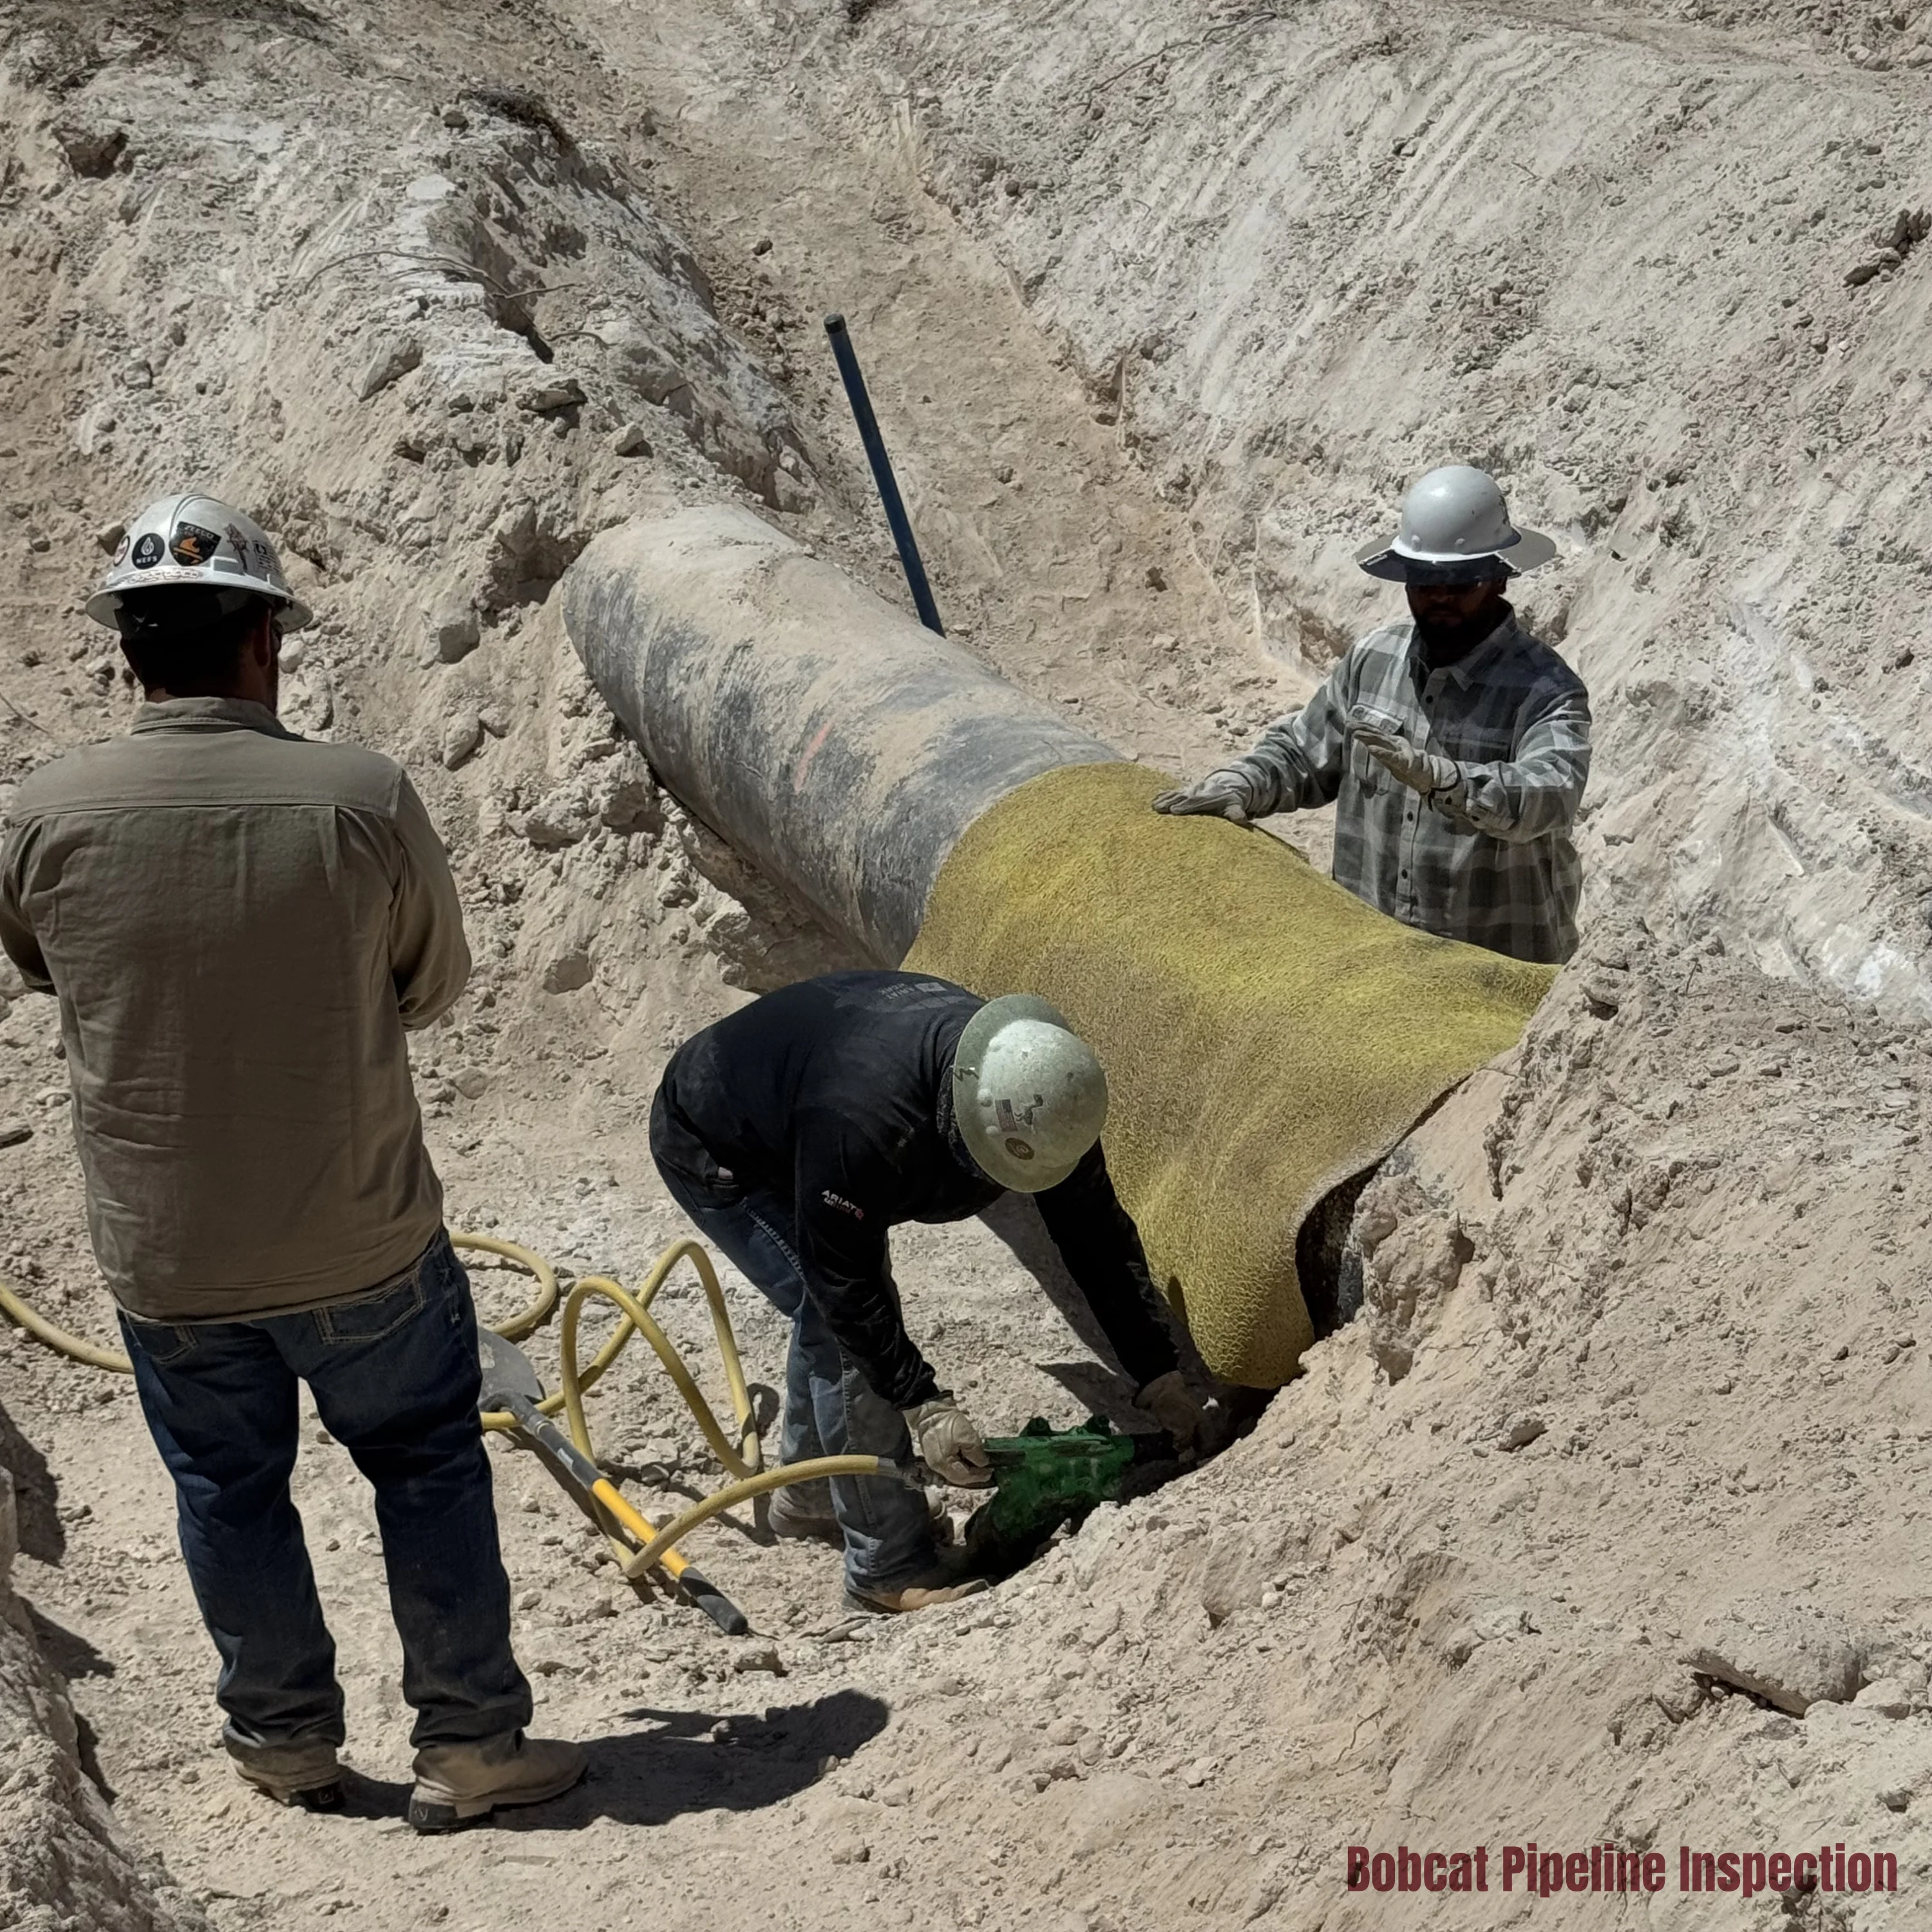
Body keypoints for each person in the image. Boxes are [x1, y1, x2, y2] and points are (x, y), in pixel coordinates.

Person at [0, 494, 582, 1832]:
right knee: (426, 1462)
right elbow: (431, 987)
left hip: (169, 1256)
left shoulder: (43, 812)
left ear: (127, 653)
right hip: (362, 1238)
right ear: (266, 646)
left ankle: (281, 1741)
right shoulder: (362, 798)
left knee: (227, 1486)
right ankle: (473, 1741)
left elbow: (41, 967)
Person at [649, 971, 1206, 1613]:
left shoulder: (1043, 1087)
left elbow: (1095, 1238)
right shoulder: (864, 1121)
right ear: (959, 1111)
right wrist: (923, 1406)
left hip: (803, 1106)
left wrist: (1157, 1371)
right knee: (836, 1323)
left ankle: (809, 1498)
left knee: (832, 1314)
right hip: (720, 1142)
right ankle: (885, 1566)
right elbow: (845, 1288)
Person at [1154, 465, 1591, 965]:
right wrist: (1241, 784)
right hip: (1373, 965)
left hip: (1497, 971)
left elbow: (1550, 794)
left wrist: (1448, 782)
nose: (1440, 596)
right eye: (1425, 580)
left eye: (1459, 579)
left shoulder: (1546, 690)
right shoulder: (1374, 658)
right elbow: (1302, 753)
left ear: (1498, 576)